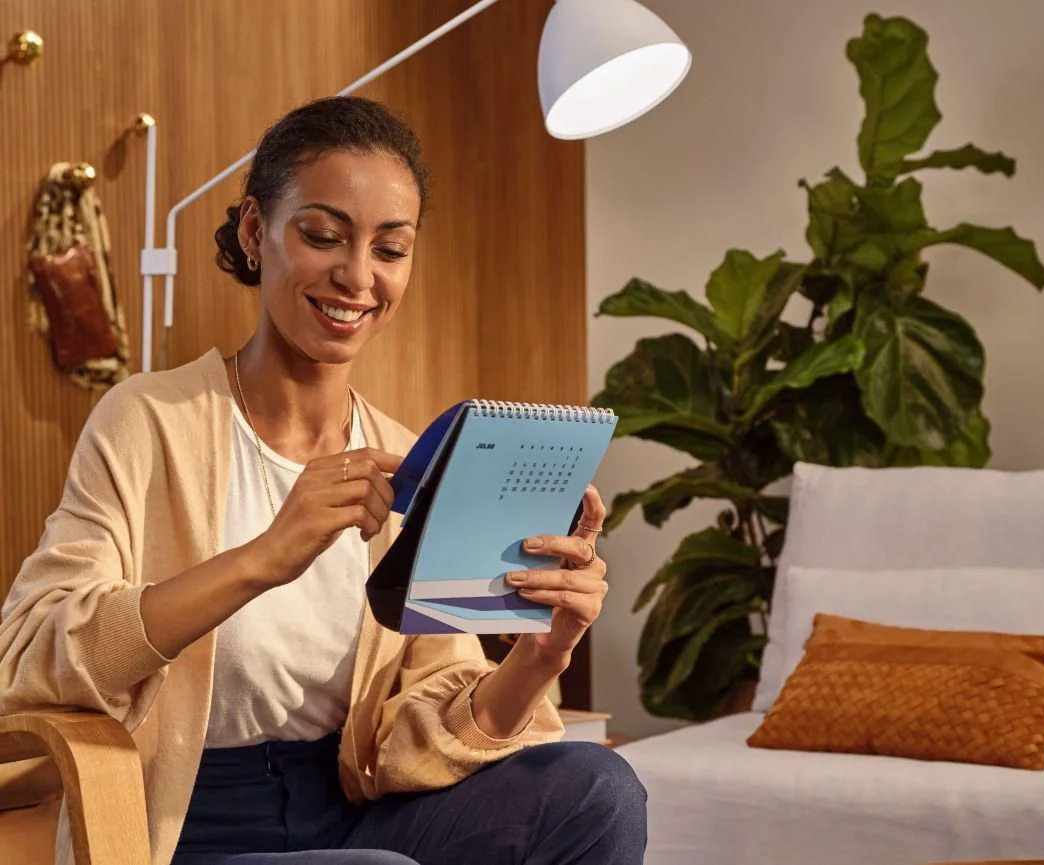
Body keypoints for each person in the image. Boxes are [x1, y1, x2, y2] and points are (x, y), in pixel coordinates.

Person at [0, 96, 646, 865]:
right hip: (181, 823)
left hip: (349, 814)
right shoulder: (149, 420)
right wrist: (263, 557)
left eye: (390, 248)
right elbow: (29, 659)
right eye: (322, 235)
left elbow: (417, 736)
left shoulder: (406, 460)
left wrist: (543, 653)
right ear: (253, 231)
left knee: (597, 786)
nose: (356, 276)